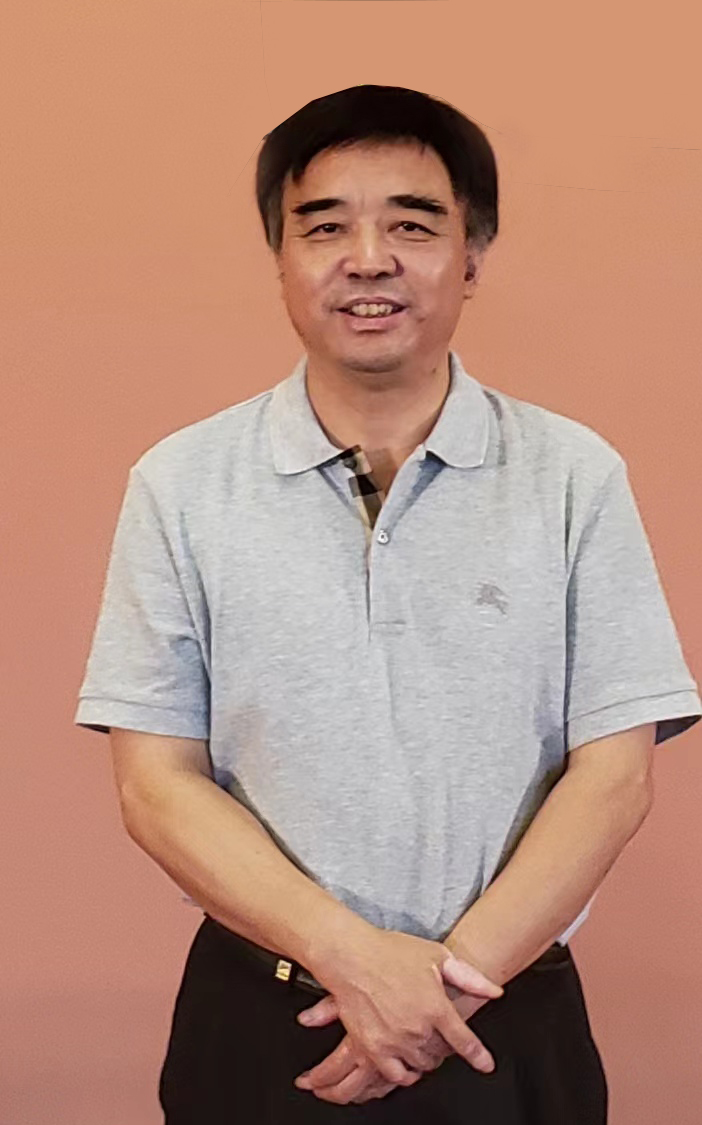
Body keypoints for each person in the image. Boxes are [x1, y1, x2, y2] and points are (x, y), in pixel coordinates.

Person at [74, 85, 702, 1124]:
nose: (368, 259)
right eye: (325, 227)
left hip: (505, 1015)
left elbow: (613, 775)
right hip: (263, 1016)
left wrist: (441, 991)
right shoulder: (180, 483)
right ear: (280, 257)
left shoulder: (572, 475)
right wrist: (353, 959)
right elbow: (157, 783)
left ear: (473, 255)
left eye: (413, 225)